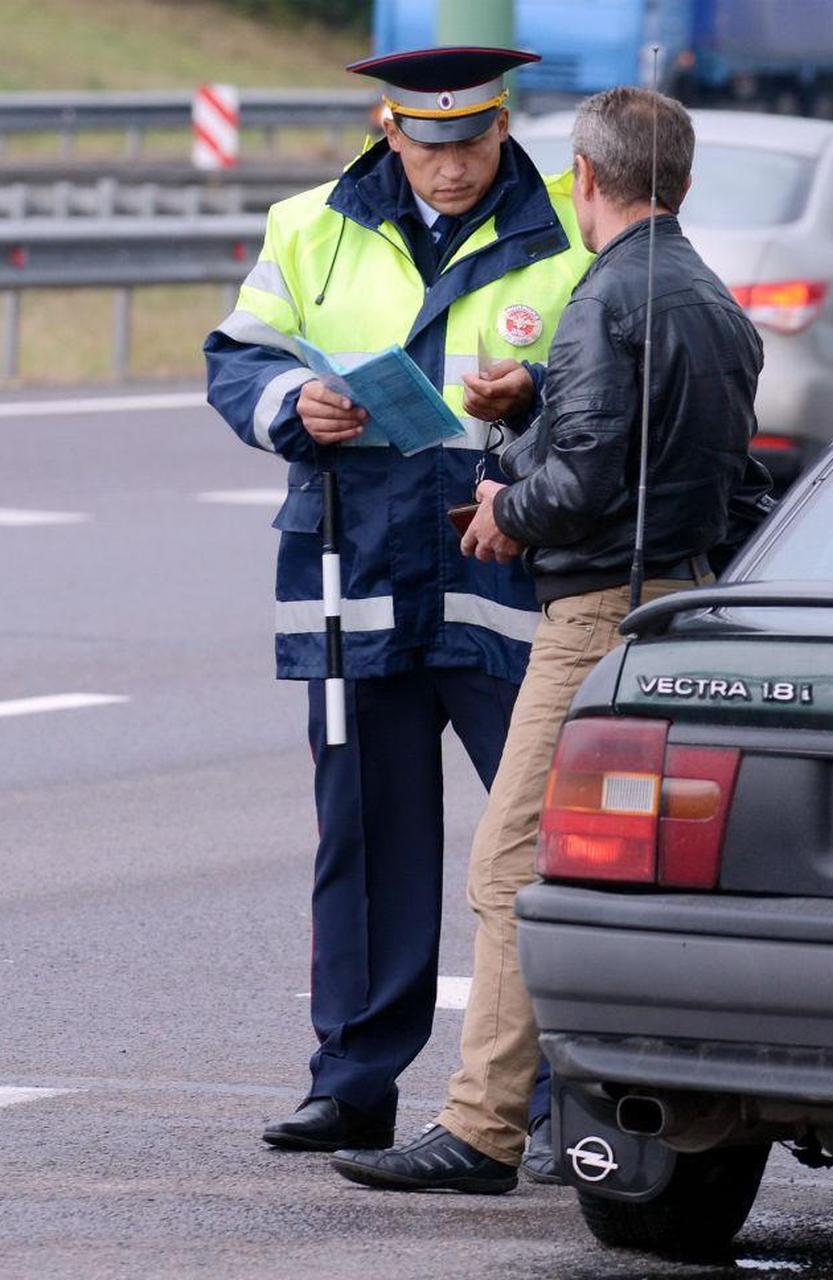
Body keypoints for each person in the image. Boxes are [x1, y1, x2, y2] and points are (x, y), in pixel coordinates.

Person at [330, 86, 767, 1195]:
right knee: (624, 873)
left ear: (583, 174)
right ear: (683, 179)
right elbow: (697, 471)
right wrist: (534, 403)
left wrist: (501, 504)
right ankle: (595, 1105)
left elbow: (587, 477)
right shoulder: (710, 301)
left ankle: (482, 1126)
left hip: (591, 616)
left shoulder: (606, 295)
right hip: (682, 603)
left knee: (511, 862)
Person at [204, 46, 593, 1159]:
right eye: (429, 147)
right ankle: (352, 1079)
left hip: (503, 576)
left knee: (542, 850)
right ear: (388, 131)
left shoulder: (566, 227)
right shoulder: (309, 224)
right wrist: (293, 401)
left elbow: (617, 373)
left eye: (471, 144)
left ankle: (559, 1091)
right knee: (364, 840)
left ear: (501, 128)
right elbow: (238, 356)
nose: (452, 169)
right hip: (355, 571)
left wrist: (535, 391)